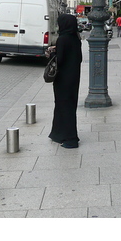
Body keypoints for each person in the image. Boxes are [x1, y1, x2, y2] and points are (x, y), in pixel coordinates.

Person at [47, 14, 83, 148]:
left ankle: (70, 138)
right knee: (68, 106)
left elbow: (59, 61)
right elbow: (77, 58)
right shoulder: (75, 39)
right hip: (73, 78)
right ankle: (58, 133)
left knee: (63, 105)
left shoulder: (62, 39)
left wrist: (51, 54)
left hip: (63, 80)